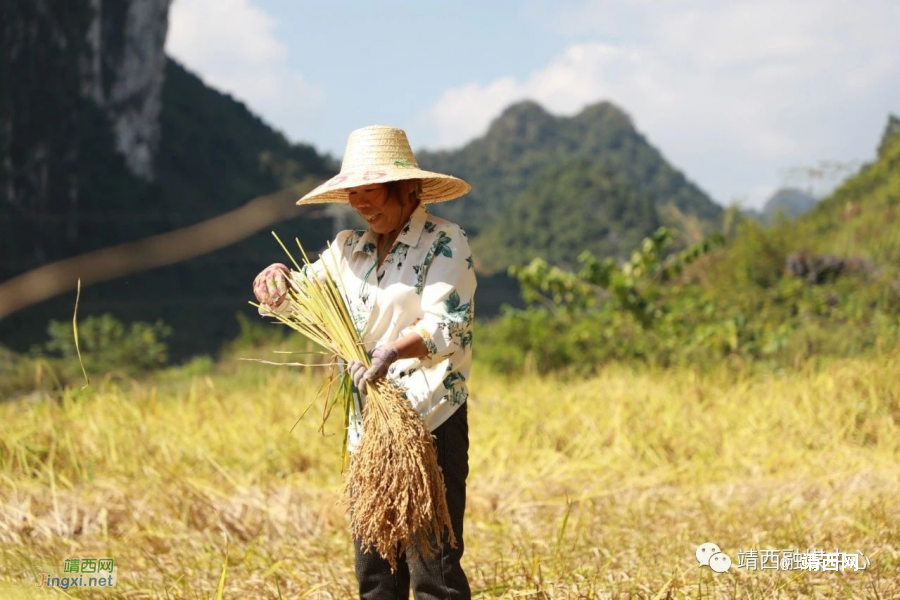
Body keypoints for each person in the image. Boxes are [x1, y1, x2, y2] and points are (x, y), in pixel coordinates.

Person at [253, 125, 476, 599]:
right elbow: (300, 297)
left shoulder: (444, 241)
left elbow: (448, 325)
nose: (361, 204)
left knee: (432, 570)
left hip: (428, 420)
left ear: (406, 188)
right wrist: (276, 284)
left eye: (370, 191)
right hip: (368, 427)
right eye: (353, 194)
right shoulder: (346, 250)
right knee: (375, 571)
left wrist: (392, 350)